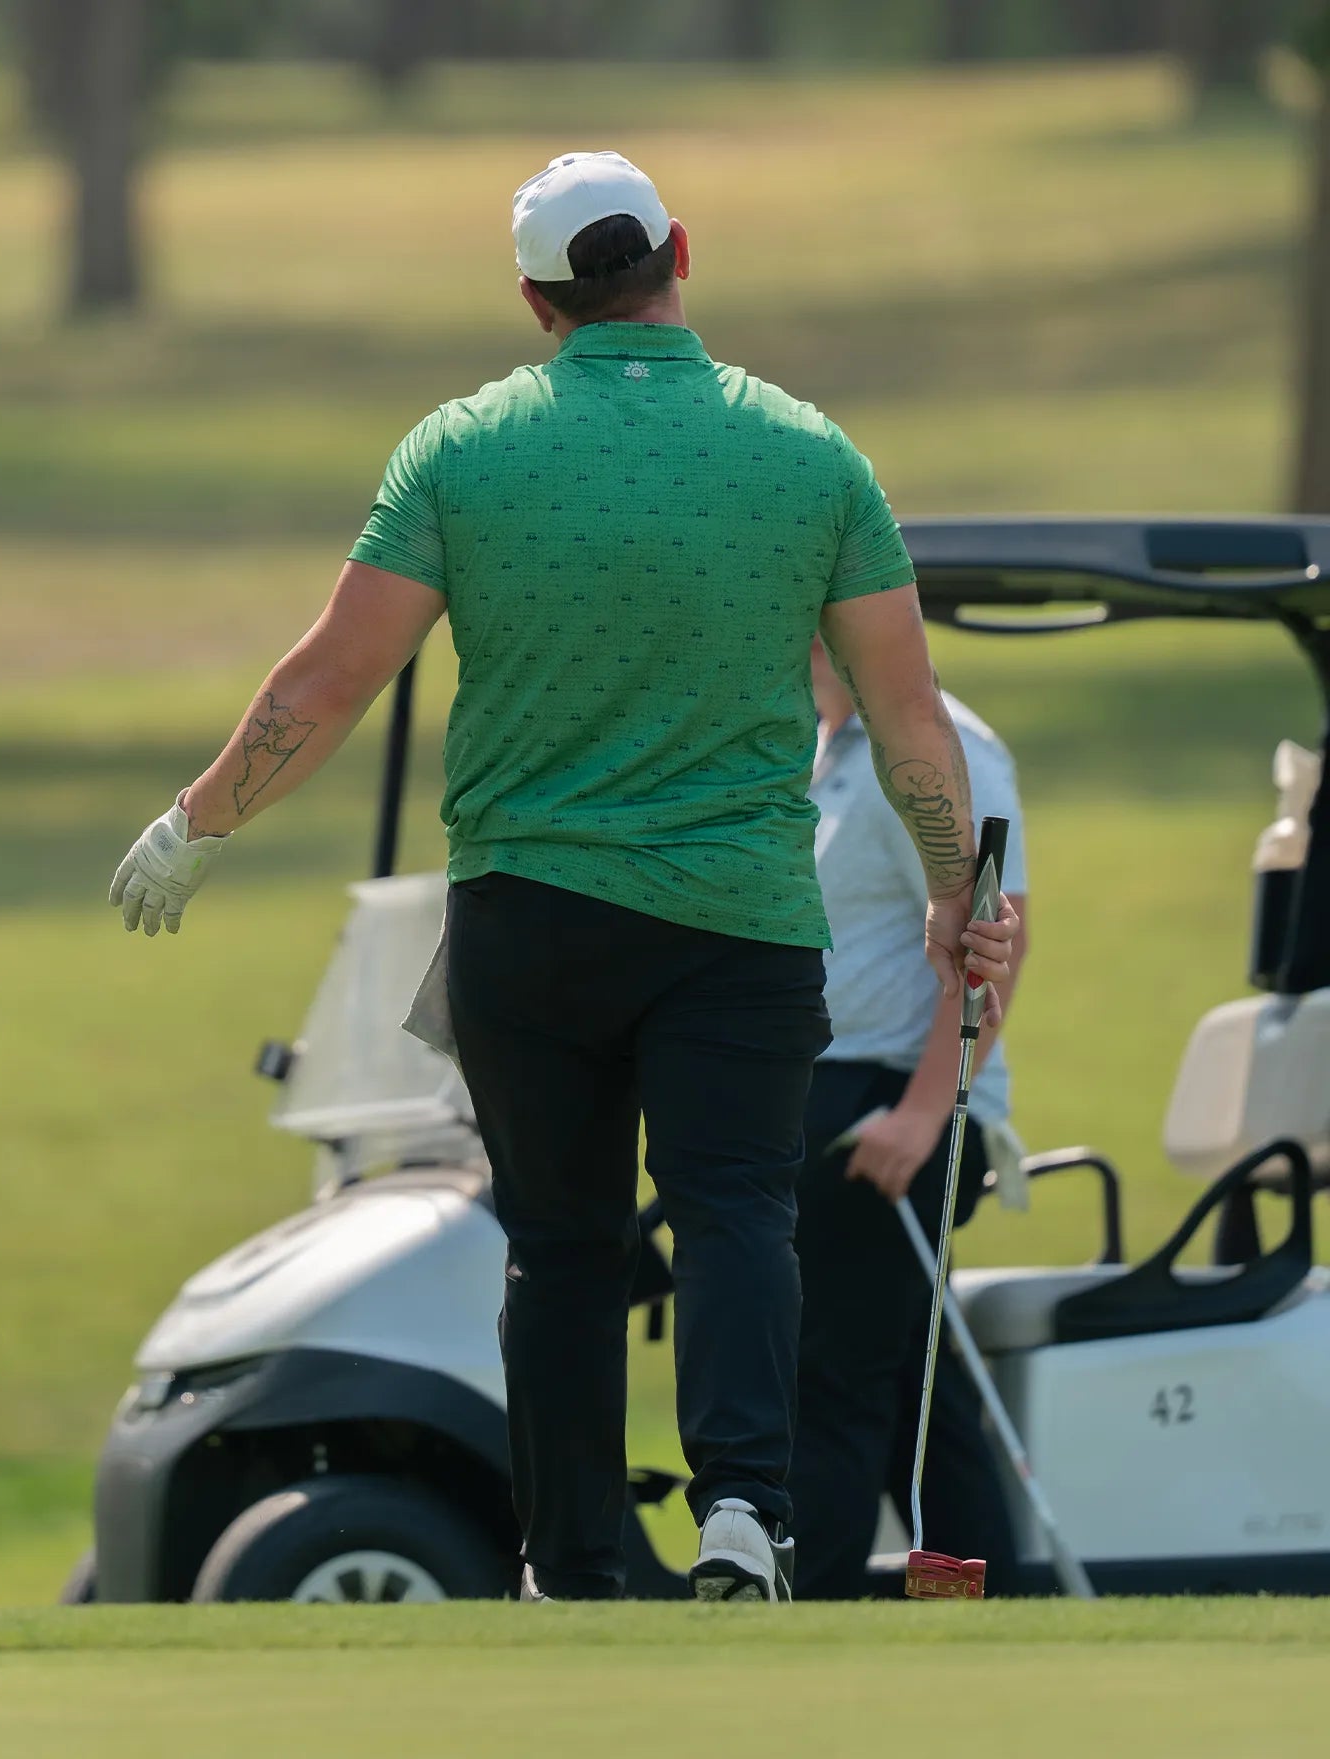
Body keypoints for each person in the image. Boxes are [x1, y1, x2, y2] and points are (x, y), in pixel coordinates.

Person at [109, 151, 1017, 1603]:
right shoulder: (809, 453)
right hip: (740, 921)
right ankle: (743, 1513)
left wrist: (196, 823)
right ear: (681, 253)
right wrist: (957, 889)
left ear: (535, 299)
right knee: (736, 1214)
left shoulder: (461, 450)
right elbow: (907, 712)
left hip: (530, 922)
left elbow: (335, 679)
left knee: (562, 1244)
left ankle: (576, 1553)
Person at [788, 638, 1029, 1598]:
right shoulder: (825, 747)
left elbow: (992, 941)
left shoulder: (940, 750)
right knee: (913, 1393)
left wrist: (925, 1115)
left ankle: (808, 1617)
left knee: (835, 1377)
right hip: (829, 1100)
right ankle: (979, 1607)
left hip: (895, 1107)